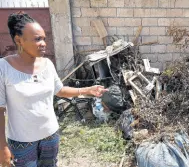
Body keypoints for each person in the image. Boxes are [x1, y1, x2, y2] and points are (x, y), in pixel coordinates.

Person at [0, 11, 108, 167]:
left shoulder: (47, 64)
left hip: (50, 137)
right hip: (22, 143)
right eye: (37, 39)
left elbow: (59, 90)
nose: (43, 43)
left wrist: (87, 90)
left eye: (44, 38)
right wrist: (2, 147)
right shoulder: (4, 67)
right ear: (19, 40)